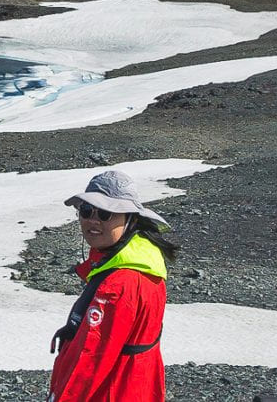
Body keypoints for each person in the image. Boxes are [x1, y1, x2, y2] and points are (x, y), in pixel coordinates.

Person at [47, 170, 178, 402]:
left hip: (111, 392)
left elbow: (91, 359)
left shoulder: (119, 284)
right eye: (86, 211)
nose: (93, 220)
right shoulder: (144, 260)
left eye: (106, 213)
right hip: (135, 388)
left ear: (130, 219)